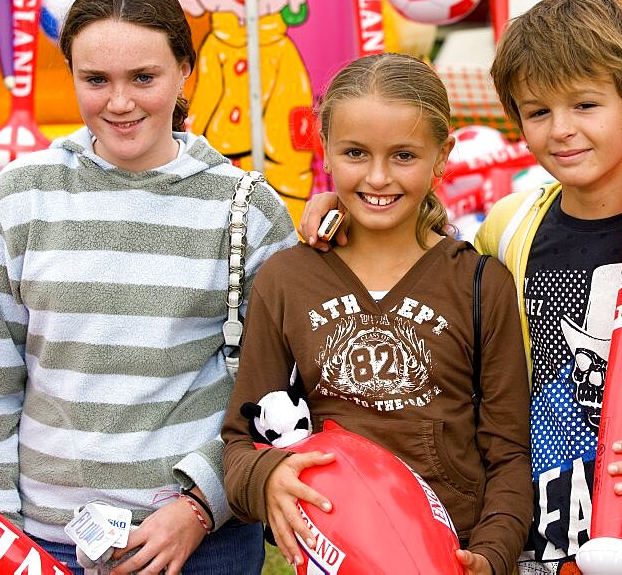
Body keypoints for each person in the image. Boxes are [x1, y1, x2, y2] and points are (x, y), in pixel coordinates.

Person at [301, 0, 622, 574]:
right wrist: (340, 206)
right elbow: (423, 244)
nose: (562, 130)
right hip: (540, 546)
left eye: (586, 105)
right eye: (538, 112)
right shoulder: (510, 228)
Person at [0, 0, 296, 574]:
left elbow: (278, 388)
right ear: (71, 75)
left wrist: (201, 506)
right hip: (43, 541)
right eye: (96, 80)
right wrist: (1, 539)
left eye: (144, 77)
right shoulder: (19, 198)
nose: (120, 102)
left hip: (203, 545)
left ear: (184, 69)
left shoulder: (248, 208)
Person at [222, 52, 532, 575]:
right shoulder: (287, 280)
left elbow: (507, 455)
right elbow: (239, 440)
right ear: (325, 150)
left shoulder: (480, 284)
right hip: (337, 558)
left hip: (449, 557)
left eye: (404, 155)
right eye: (356, 153)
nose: (379, 177)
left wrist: (492, 555)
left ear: (442, 156)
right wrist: (267, 477)